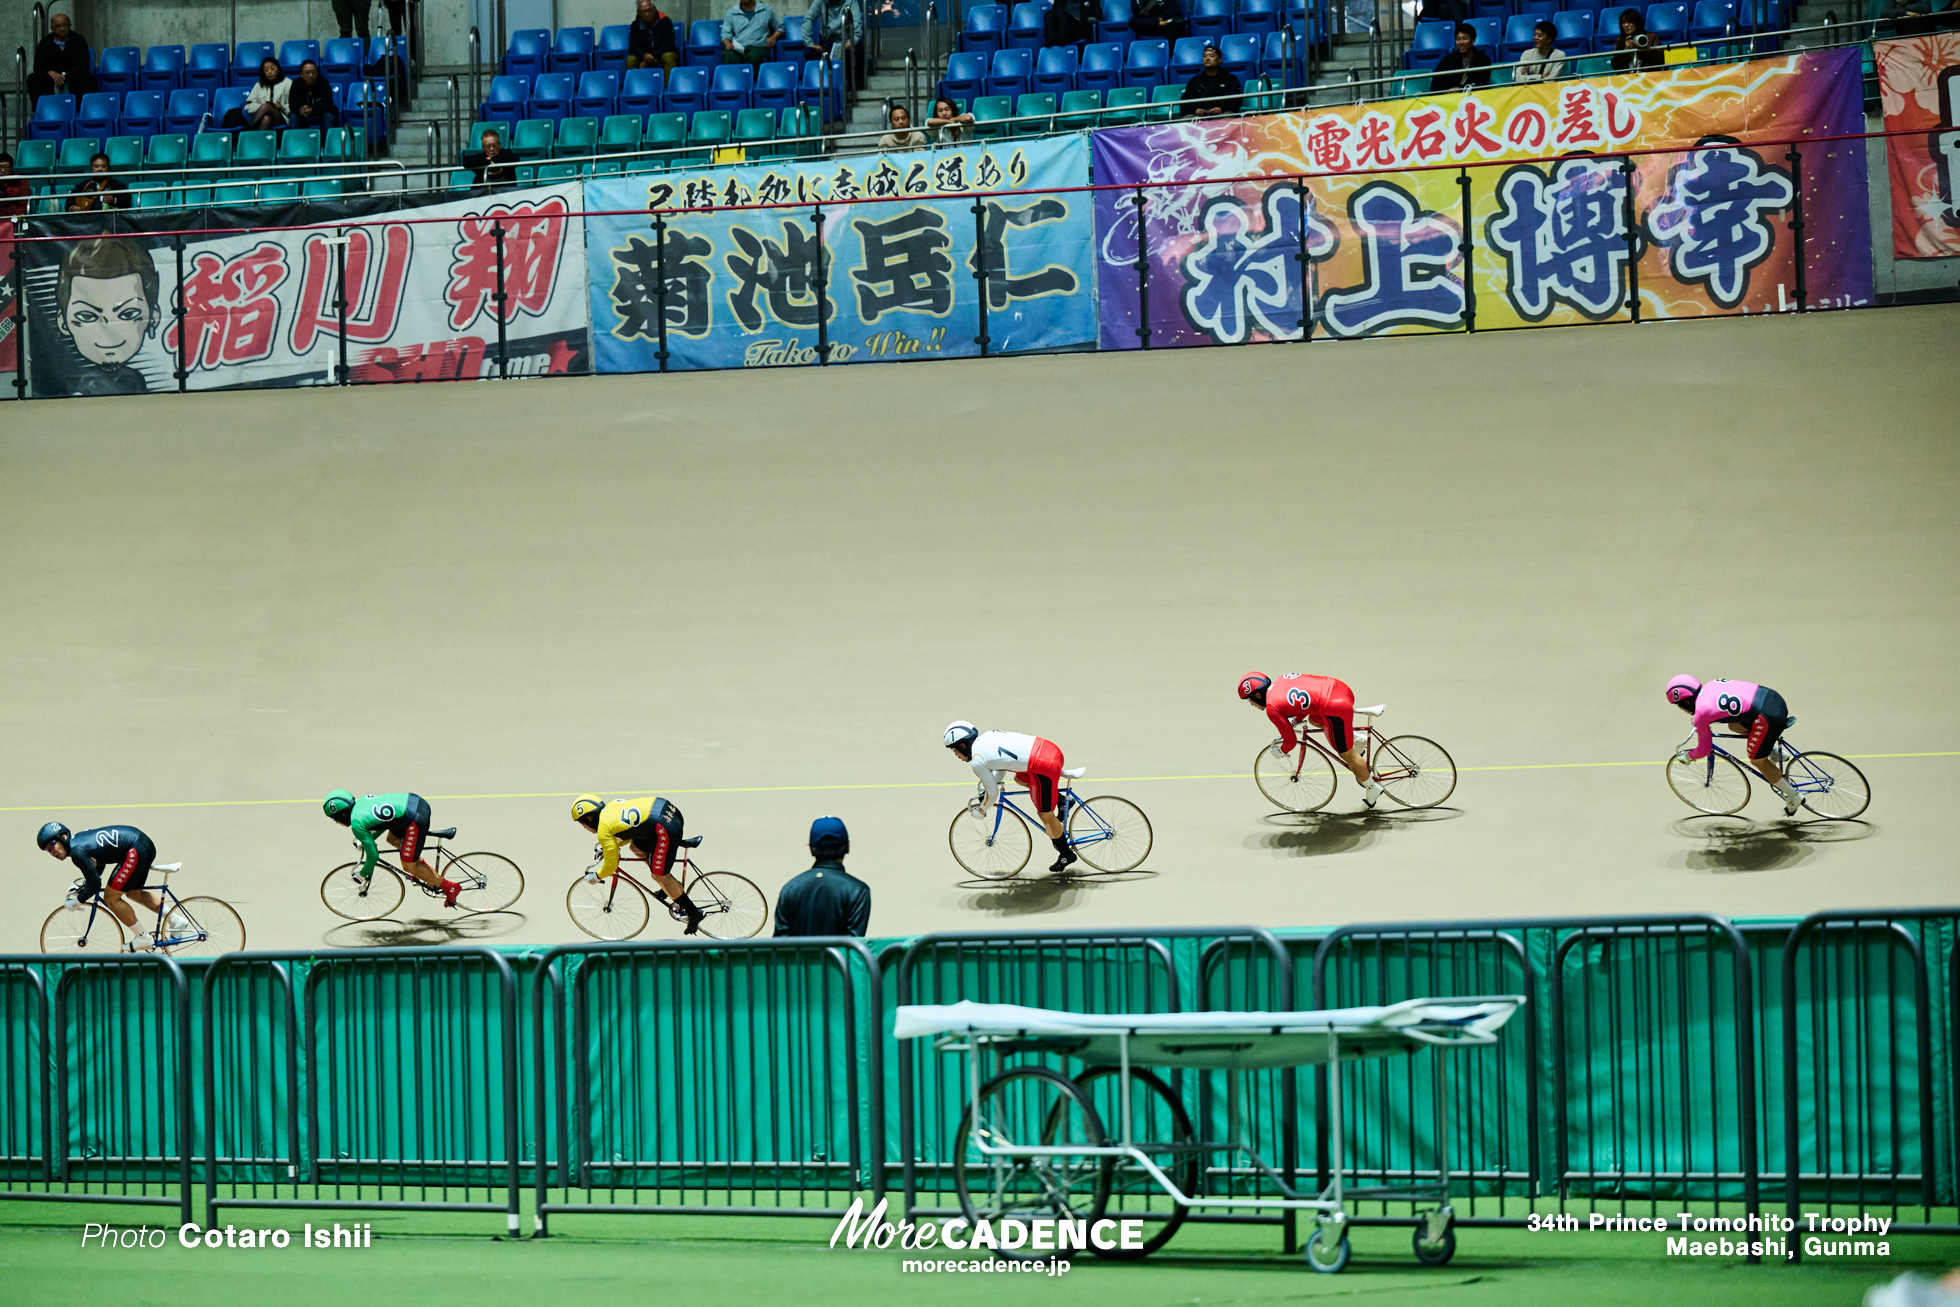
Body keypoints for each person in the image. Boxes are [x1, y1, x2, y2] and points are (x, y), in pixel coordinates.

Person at [944, 721, 1081, 874]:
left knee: (1045, 815)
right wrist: (989, 787)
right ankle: (1061, 800)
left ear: (963, 745)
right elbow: (1001, 766)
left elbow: (993, 793)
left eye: (954, 750)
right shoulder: (988, 737)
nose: (956, 755)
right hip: (1049, 749)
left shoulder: (977, 761)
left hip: (1043, 766)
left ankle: (1066, 854)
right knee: (1020, 779)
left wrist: (982, 809)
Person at [1239, 672, 1383, 807]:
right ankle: (1355, 739)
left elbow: (1290, 741)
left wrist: (1281, 751)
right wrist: (1296, 718)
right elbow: (1304, 701)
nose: (1251, 704)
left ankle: (1372, 787)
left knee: (1346, 754)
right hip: (1340, 689)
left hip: (1335, 707)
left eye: (1250, 700)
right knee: (1314, 719)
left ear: (1258, 695)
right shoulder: (1283, 679)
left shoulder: (1272, 708)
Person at [1666, 675, 1803, 816]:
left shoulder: (1700, 714)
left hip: (1766, 718)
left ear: (1687, 702)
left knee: (1757, 760)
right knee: (1735, 726)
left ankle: (1793, 796)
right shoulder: (1711, 684)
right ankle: (1770, 749)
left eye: (1679, 705)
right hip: (1773, 698)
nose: (1681, 709)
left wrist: (1689, 756)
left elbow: (1705, 749)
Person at [572, 794, 706, 933]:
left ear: (589, 818)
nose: (584, 828)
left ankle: (694, 912)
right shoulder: (611, 806)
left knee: (659, 876)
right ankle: (669, 885)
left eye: (582, 823)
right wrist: (607, 846)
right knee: (636, 847)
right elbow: (628, 830)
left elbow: (611, 865)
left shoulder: (603, 830)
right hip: (668, 810)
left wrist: (598, 876)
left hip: (663, 827)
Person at [54, 237, 159, 396]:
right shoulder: (84, 383)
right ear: (63, 322)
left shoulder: (135, 380)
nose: (108, 327)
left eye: (128, 314)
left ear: (154, 316)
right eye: (87, 316)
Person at [322, 789, 463, 908]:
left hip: (414, 819)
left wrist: (363, 874)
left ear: (342, 814)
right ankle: (422, 869)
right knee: (392, 839)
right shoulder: (362, 802)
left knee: (408, 867)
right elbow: (382, 822)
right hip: (415, 802)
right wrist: (367, 840)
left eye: (335, 819)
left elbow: (373, 856)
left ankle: (450, 887)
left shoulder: (356, 823)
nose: (337, 822)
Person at [37, 821, 164, 952]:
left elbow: (96, 884)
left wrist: (78, 900)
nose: (51, 852)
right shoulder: (79, 841)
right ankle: (175, 920)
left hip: (135, 848)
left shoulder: (77, 852)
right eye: (47, 850)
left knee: (110, 899)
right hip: (142, 843)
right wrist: (86, 886)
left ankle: (143, 937)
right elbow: (99, 862)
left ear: (63, 837)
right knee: (133, 892)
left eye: (52, 846)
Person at [772, 816, 872, 937]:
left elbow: (780, 942)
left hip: (798, 957)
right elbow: (852, 944)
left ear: (811, 850)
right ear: (847, 847)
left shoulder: (790, 888)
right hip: (838, 957)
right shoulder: (858, 890)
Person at [29, 13, 96, 103]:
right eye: (58, 26)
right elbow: (38, 66)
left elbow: (83, 64)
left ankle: (81, 109)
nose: (62, 29)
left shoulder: (79, 40)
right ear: (52, 28)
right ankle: (39, 110)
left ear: (70, 26)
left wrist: (66, 74)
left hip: (72, 76)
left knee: (87, 77)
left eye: (65, 25)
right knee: (33, 78)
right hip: (51, 77)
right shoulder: (45, 42)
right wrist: (50, 73)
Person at [1180, 42, 1242, 118]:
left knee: (1228, 117)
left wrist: (1222, 109)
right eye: (1205, 56)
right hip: (1200, 117)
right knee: (1187, 119)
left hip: (1222, 114)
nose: (1207, 58)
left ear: (1220, 60)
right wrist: (1195, 110)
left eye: (1211, 56)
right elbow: (1185, 100)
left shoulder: (1230, 79)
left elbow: (1237, 99)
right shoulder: (1195, 80)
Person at [1429, 22, 1491, 91]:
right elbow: (1435, 86)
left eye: (1465, 38)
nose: (1461, 42)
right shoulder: (1448, 61)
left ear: (1472, 41)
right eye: (1458, 39)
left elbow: (1481, 83)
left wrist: (1460, 89)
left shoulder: (1483, 60)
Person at [722, 0, 782, 69]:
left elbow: (780, 27)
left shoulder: (766, 10)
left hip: (759, 47)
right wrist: (727, 42)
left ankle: (754, 79)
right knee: (728, 55)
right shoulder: (732, 12)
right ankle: (734, 79)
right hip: (739, 49)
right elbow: (725, 33)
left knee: (754, 56)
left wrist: (774, 37)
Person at [627, 0, 681, 71]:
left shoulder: (665, 21)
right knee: (630, 60)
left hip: (661, 54)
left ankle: (668, 82)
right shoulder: (635, 25)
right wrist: (644, 55)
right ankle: (638, 81)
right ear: (639, 13)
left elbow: (669, 44)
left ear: (654, 9)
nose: (647, 14)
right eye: (643, 11)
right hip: (644, 56)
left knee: (669, 56)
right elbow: (633, 47)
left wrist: (653, 55)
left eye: (649, 10)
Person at [239, 57, 292, 130]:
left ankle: (248, 129)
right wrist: (262, 108)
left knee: (266, 106)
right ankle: (259, 140)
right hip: (262, 118)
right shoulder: (259, 85)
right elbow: (248, 106)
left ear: (278, 69)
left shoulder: (288, 83)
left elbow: (294, 105)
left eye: (272, 69)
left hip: (281, 118)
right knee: (266, 119)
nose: (269, 72)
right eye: (266, 70)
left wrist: (282, 107)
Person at [804, 0, 861, 67]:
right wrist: (809, 43)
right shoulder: (820, 2)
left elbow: (857, 22)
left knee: (855, 52)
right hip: (828, 42)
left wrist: (852, 40)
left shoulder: (851, 1)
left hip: (846, 41)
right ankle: (818, 76)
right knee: (809, 52)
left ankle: (852, 77)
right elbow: (808, 19)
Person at [290, 59, 339, 130]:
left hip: (321, 115)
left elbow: (327, 105)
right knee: (293, 117)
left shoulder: (323, 83)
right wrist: (300, 109)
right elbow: (292, 104)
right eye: (307, 73)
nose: (311, 75)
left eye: (313, 72)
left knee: (328, 116)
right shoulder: (296, 84)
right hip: (305, 116)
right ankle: (296, 140)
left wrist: (312, 110)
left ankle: (328, 140)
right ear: (301, 74)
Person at [1, 153, 35, 218]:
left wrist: (14, 218)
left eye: (6, 167)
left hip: (16, 216)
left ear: (11, 168)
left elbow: (24, 205)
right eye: (0, 167)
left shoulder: (20, 180)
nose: (3, 170)